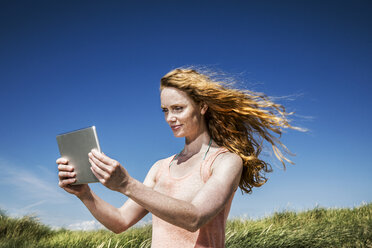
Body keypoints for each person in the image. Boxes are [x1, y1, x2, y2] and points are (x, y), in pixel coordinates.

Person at [57, 68, 300, 247]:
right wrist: (85, 194)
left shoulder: (225, 161)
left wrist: (127, 185)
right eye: (165, 110)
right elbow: (120, 222)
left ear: (202, 106)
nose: (169, 118)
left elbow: (195, 217)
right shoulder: (160, 167)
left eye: (178, 108)